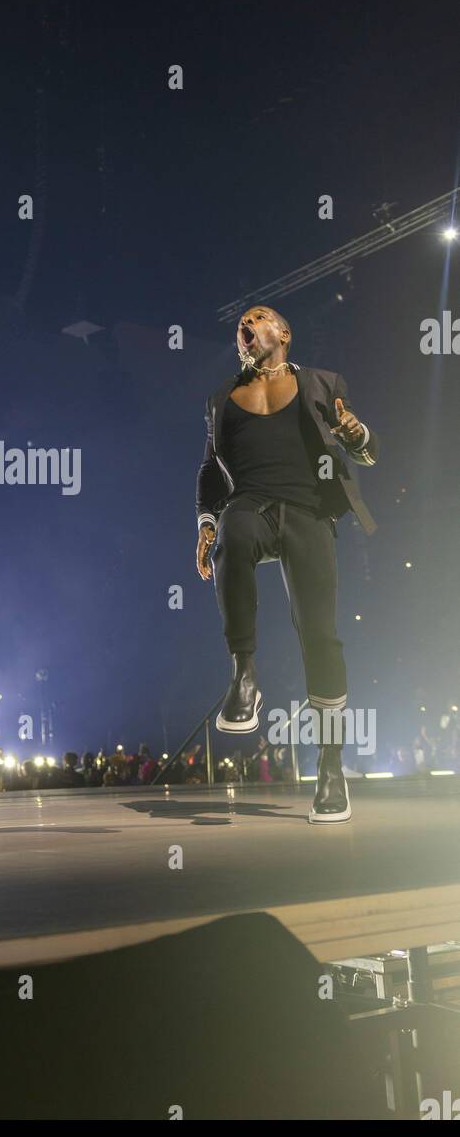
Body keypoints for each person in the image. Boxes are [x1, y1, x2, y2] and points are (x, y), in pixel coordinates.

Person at [196, 306, 378, 823]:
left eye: (257, 318)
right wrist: (206, 522)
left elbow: (369, 454)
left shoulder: (323, 383)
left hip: (308, 512)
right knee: (232, 533)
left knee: (320, 635)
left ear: (283, 333)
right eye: (240, 323)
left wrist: (354, 434)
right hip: (250, 505)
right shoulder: (221, 400)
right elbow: (210, 469)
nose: (245, 325)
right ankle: (244, 674)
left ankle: (330, 764)